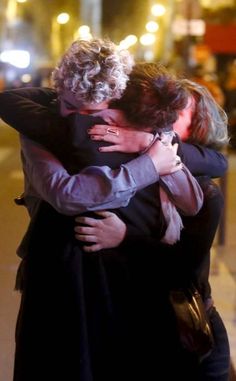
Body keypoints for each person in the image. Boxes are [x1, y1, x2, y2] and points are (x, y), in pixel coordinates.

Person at [0, 44, 228, 380]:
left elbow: (181, 264)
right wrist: (147, 157)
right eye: (69, 106)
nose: (83, 121)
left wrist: (148, 151)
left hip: (154, 311)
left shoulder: (189, 175)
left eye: (179, 118)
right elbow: (66, 193)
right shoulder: (73, 130)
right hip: (66, 284)